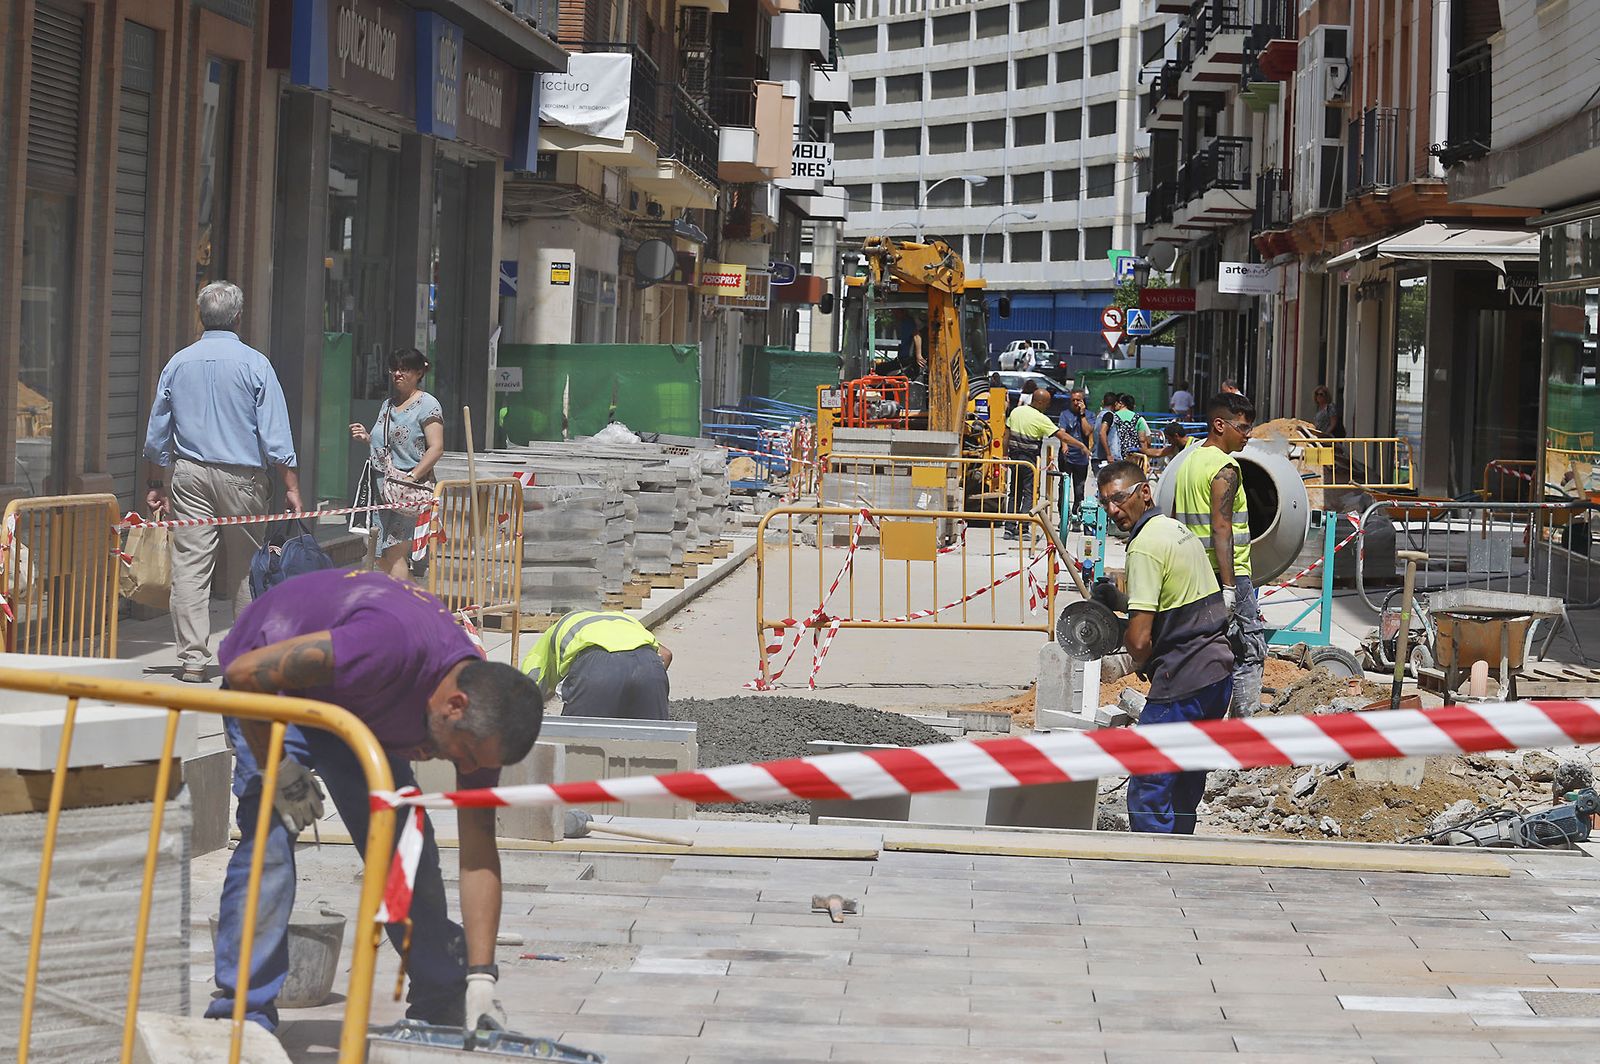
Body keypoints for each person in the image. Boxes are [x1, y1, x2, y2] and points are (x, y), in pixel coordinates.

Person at [207, 569, 544, 1033]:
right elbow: (244, 674)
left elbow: (478, 849)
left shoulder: (482, 728)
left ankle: (444, 997)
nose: (466, 771)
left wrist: (481, 977)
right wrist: (280, 772)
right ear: (455, 705)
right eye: (463, 755)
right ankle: (242, 1016)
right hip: (275, 692)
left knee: (405, 850)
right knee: (270, 833)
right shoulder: (388, 646)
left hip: (362, 708)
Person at [145, 281, 301, 684]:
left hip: (190, 476)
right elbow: (276, 434)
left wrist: (154, 481)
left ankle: (193, 660)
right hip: (242, 478)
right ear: (237, 317)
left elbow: (157, 430)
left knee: (191, 567)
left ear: (201, 317)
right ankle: (245, 654)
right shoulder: (255, 364)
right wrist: (291, 485)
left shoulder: (177, 363)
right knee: (247, 568)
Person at [1095, 460, 1234, 834]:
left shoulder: (1143, 548)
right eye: (1105, 501)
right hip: (1216, 675)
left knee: (1150, 783)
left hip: (1182, 680)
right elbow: (1173, 604)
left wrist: (1131, 649)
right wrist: (1121, 603)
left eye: (1119, 498)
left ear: (1144, 492)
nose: (1113, 510)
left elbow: (1140, 640)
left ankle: (1152, 871)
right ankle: (1179, 864)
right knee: (1185, 781)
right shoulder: (1175, 530)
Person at [1174, 392, 1266, 718]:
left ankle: (1198, 722)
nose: (1248, 434)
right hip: (1228, 575)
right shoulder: (1226, 468)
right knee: (1249, 650)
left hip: (1194, 572)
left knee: (1203, 652)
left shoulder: (1190, 458)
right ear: (1219, 425)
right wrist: (1230, 588)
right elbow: (1222, 528)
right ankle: (1243, 734)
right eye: (1242, 427)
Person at [351, 348, 446, 580]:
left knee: (393, 553)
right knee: (379, 554)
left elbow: (436, 447)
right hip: (381, 490)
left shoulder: (427, 405)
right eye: (394, 369)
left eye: (404, 369)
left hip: (409, 492)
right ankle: (413, 605)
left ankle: (412, 609)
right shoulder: (388, 405)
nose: (398, 374)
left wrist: (413, 476)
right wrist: (366, 438)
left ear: (418, 372)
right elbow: (382, 442)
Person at [520, 610, 673, 719]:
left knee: (579, 746)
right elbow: (666, 655)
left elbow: (531, 681)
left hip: (598, 668)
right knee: (652, 745)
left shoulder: (551, 636)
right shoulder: (622, 620)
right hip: (650, 666)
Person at [1004, 387, 1084, 536]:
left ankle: (1009, 528)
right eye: (1047, 403)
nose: (1048, 406)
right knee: (1029, 493)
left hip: (1014, 459)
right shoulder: (1040, 418)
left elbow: (1006, 435)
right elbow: (1063, 436)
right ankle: (1024, 528)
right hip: (1029, 461)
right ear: (1039, 402)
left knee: (1014, 492)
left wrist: (1004, 456)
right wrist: (1081, 445)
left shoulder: (1016, 411)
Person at [1057, 389, 1096, 522]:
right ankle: (1063, 516)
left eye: (1078, 400)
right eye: (1073, 400)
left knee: (1079, 489)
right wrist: (1064, 445)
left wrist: (1082, 414)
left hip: (1081, 458)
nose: (1075, 403)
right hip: (1067, 457)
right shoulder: (1064, 414)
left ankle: (1077, 516)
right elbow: (1061, 431)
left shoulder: (1089, 415)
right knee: (1063, 487)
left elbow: (1087, 432)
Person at [1112, 393, 1152, 459]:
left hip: (1117, 454)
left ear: (1122, 403)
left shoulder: (1113, 417)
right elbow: (1142, 440)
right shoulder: (1138, 418)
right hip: (1134, 456)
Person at [1095, 393, 1118, 466]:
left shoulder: (1099, 415)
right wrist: (1109, 454)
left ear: (1103, 402)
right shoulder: (1109, 415)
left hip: (1097, 456)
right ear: (1116, 403)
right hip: (1106, 459)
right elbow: (1102, 433)